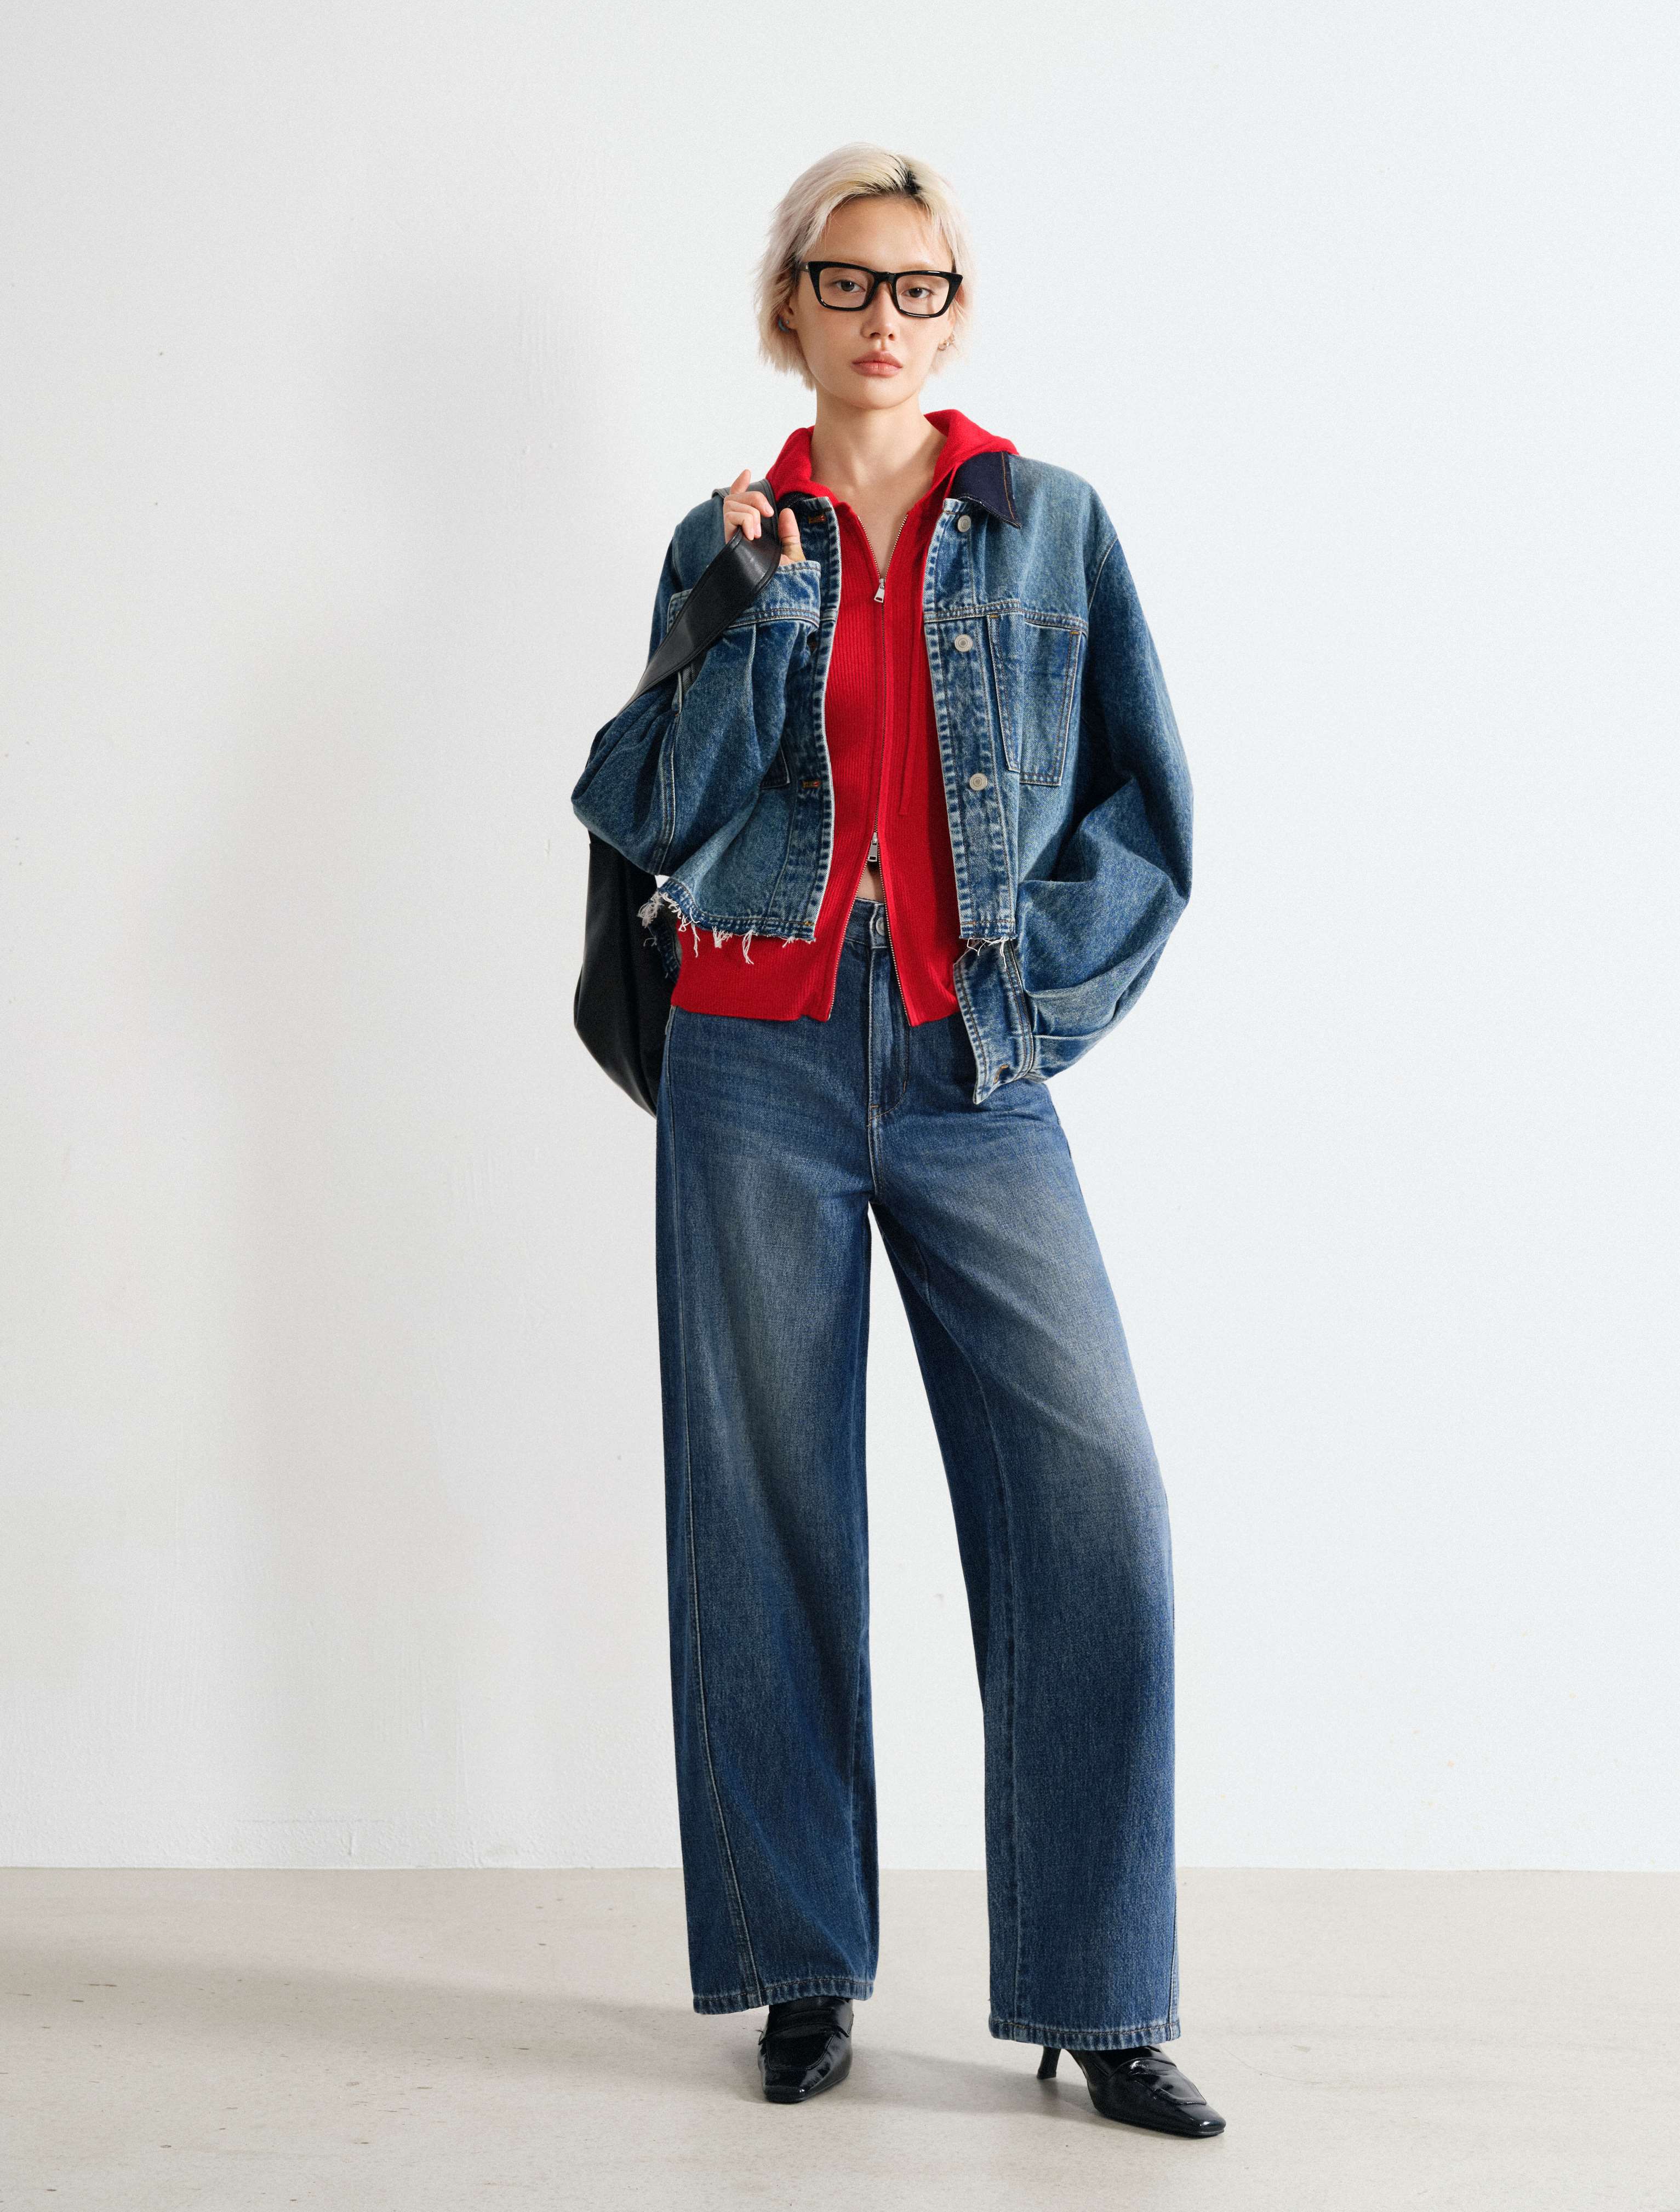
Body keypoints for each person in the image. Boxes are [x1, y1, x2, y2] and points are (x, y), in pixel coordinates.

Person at [571, 144, 1221, 2140]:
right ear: (789, 304)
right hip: (751, 1053)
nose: (884, 318)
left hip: (967, 1067)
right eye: (847, 281)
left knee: (1092, 1492)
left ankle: (1102, 1996)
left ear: (957, 311)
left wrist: (1027, 1011)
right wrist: (753, 612)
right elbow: (650, 804)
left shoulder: (1047, 522)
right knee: (765, 1503)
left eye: (919, 285)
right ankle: (799, 1964)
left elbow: (1144, 818)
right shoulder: (728, 540)